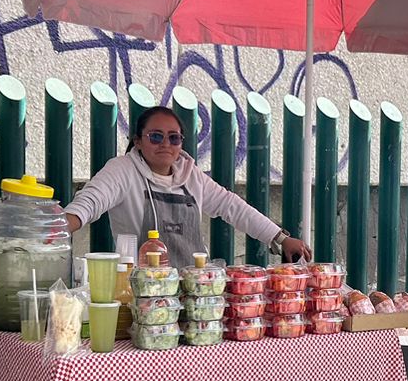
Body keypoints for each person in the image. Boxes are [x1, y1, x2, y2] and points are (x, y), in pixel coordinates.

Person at [63, 105, 310, 266]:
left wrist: (279, 238)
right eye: (156, 136)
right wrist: (54, 229)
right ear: (138, 141)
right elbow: (90, 203)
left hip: (197, 290)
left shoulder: (191, 175)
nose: (165, 144)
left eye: (174, 138)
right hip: (144, 294)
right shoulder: (122, 170)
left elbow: (232, 206)